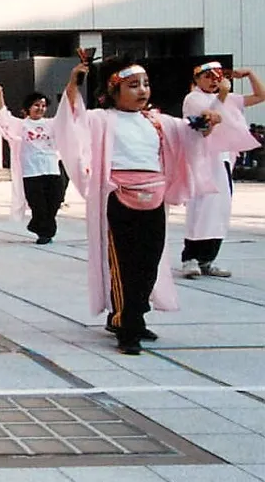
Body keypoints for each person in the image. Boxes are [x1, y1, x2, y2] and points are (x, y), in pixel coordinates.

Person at [56, 56, 220, 355]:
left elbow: (191, 133)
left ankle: (135, 315)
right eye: (133, 85)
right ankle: (126, 325)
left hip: (154, 197)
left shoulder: (158, 121)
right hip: (119, 197)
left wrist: (207, 121)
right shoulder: (101, 119)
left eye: (145, 84)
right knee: (124, 264)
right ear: (113, 90)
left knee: (149, 263)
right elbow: (71, 119)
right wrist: (73, 84)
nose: (142, 90)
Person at [179, 62, 263, 278]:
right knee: (200, 210)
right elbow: (206, 120)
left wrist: (250, 74)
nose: (213, 80)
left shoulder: (228, 98)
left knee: (220, 211)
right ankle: (190, 258)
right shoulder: (193, 98)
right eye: (207, 76)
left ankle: (208, 259)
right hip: (202, 160)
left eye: (217, 76)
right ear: (197, 79)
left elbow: (260, 96)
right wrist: (223, 95)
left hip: (222, 160)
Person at [0, 86, 65, 244]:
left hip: (52, 170)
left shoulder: (51, 124)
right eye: (36, 105)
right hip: (31, 172)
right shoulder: (21, 125)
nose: (40, 108)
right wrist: (0, 94)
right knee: (39, 205)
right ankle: (45, 234)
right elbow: (3, 117)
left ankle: (37, 226)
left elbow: (68, 119)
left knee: (54, 202)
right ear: (28, 108)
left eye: (43, 105)